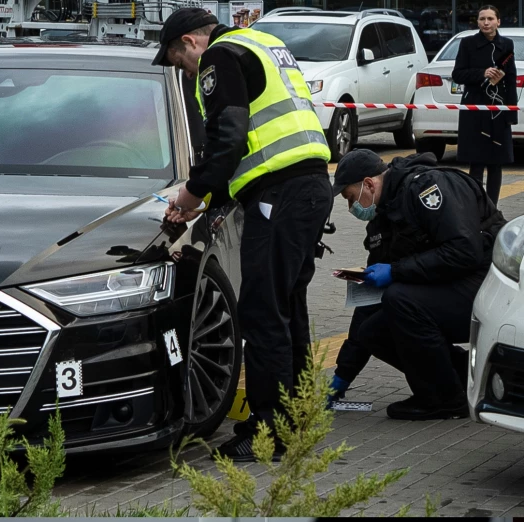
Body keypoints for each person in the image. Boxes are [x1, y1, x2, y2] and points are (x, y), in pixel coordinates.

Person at [152, 8, 332, 461]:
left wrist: (189, 198)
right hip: (307, 185)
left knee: (262, 311)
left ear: (191, 43)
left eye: (179, 62)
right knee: (287, 306)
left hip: (281, 191)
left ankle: (269, 431)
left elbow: (227, 139)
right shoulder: (263, 43)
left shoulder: (219, 56)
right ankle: (294, 416)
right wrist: (213, 198)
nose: (185, 72)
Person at [330, 149, 506, 420]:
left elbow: (464, 251)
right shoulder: (384, 214)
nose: (350, 207)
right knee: (372, 331)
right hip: (452, 286)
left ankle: (444, 400)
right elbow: (369, 298)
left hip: (490, 288)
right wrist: (342, 375)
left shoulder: (428, 188)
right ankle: (462, 379)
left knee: (400, 300)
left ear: (369, 184)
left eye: (350, 198)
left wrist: (396, 271)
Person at [452, 4, 517, 205]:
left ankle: (493, 209)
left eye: (490, 19)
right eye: (482, 19)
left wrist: (511, 113)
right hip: (475, 110)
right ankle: (475, 207)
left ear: (498, 21)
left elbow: (512, 78)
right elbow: (457, 74)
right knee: (477, 163)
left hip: (498, 111)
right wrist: (482, 73)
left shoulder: (507, 45)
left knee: (496, 163)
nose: (486, 23)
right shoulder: (468, 44)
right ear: (477, 22)